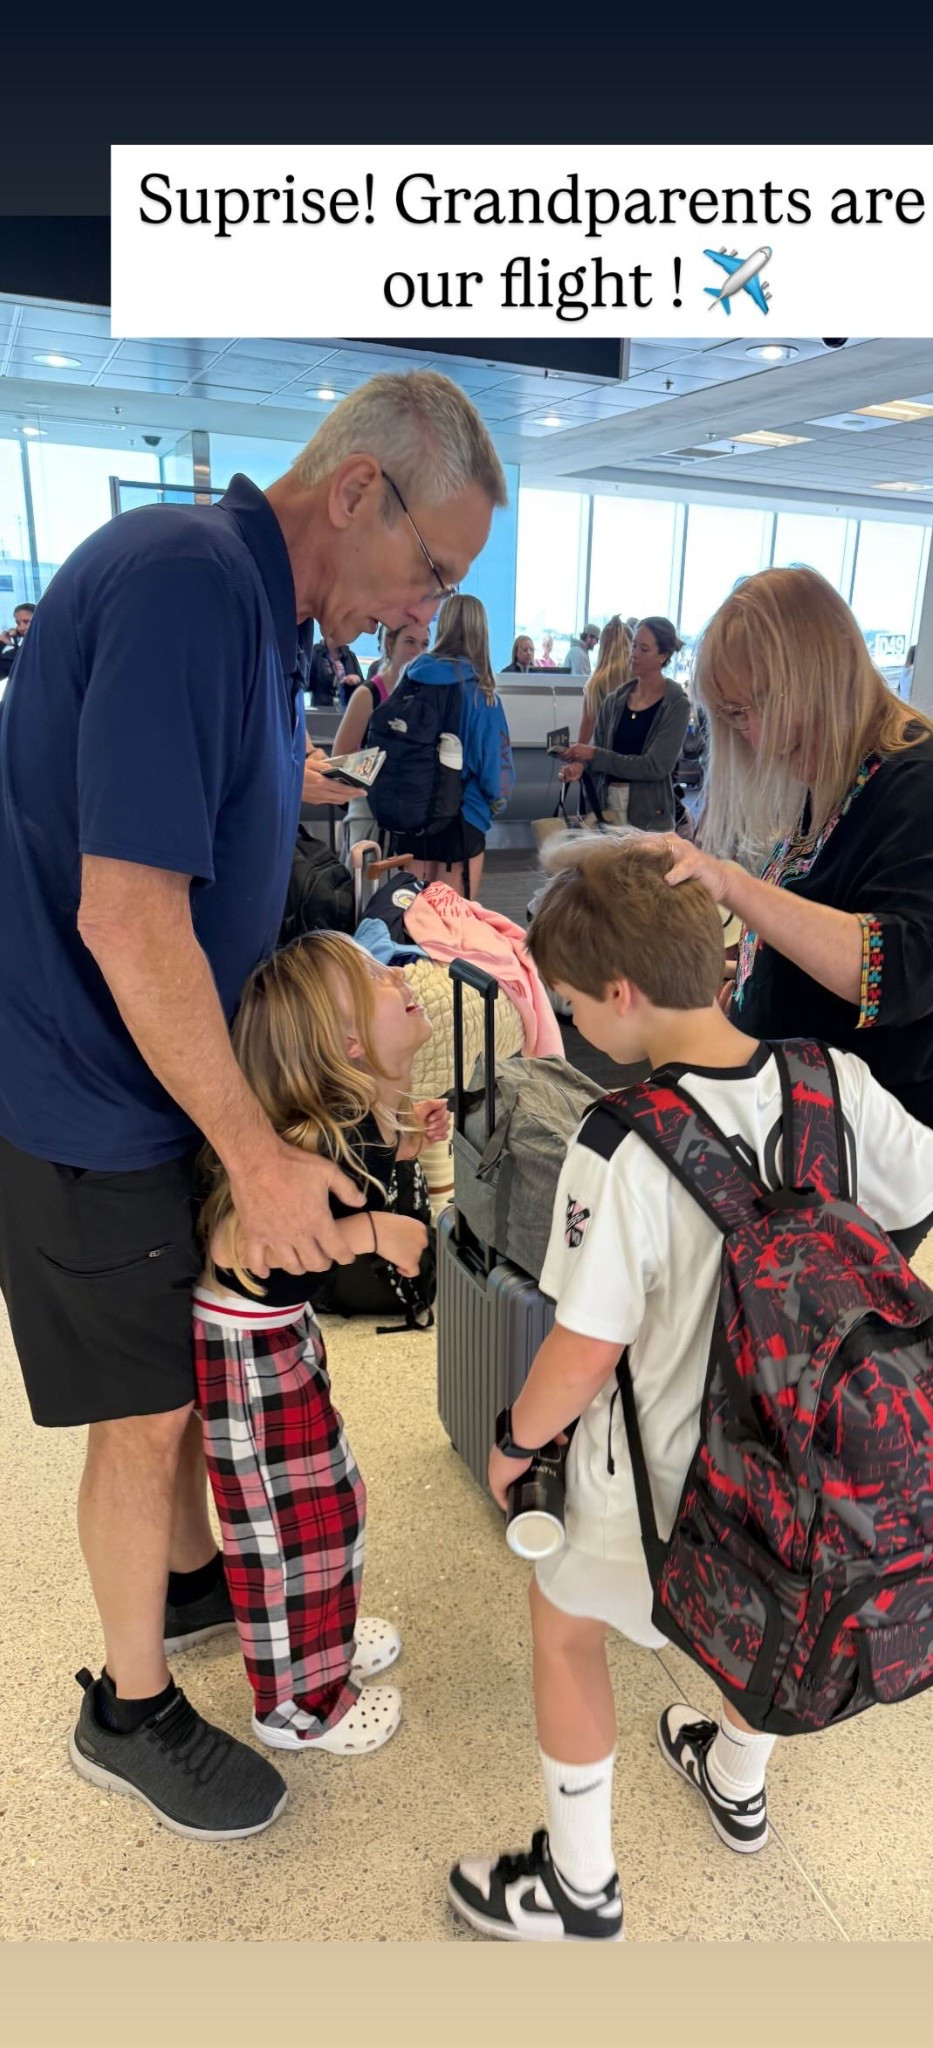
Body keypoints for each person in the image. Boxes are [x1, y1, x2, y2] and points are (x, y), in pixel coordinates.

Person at [0, 368, 505, 1842]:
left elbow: (224, 863)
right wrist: (253, 1154)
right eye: (432, 571)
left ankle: (188, 1587)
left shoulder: (253, 619)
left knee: (166, 1379)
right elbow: (132, 920)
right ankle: (129, 1709)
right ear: (358, 491)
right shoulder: (187, 592)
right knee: (145, 1419)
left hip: (148, 1079)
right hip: (88, 1095)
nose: (425, 613)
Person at [447, 835, 933, 1943]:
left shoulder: (620, 1142)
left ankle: (580, 1885)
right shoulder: (836, 1081)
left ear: (626, 993)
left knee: (564, 1622)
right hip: (798, 1469)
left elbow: (587, 1346)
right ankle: (736, 1772)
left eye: (580, 1005)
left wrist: (509, 1436)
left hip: (655, 1482)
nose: (580, 1027)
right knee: (784, 1603)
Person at [658, 567, 933, 1263]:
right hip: (821, 1118)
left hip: (893, 1128)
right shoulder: (842, 773)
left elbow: (896, 971)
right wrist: (747, 972)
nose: (753, 735)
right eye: (731, 717)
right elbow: (823, 914)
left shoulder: (923, 782)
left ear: (817, 673)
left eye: (754, 708)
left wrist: (734, 887)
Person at [197, 933, 447, 1754]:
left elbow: (368, 1164)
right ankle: (298, 1709)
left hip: (278, 1345)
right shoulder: (303, 1148)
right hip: (248, 1360)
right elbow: (264, 1242)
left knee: (330, 1506)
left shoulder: (344, 1121)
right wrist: (377, 1232)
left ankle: (323, 1649)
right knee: (289, 1529)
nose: (401, 974)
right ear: (345, 1045)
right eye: (377, 977)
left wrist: (413, 1134)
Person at [391, 591, 513, 898]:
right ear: (481, 633)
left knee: (408, 918)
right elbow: (495, 774)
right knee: (452, 926)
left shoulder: (410, 678)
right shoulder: (482, 695)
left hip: (411, 815)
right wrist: (495, 804)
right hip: (462, 819)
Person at [563, 616, 690, 833]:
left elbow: (655, 766)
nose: (635, 654)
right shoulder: (615, 701)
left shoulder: (676, 705)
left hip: (650, 819)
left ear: (663, 655)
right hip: (607, 813)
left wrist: (594, 756)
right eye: (633, 646)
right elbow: (601, 751)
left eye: (644, 649)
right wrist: (580, 766)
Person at [332, 621, 432, 853]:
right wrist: (385, 763)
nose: (418, 651)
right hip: (369, 816)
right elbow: (339, 761)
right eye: (409, 642)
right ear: (390, 643)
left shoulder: (424, 696)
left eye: (424, 644)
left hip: (411, 817)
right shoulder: (368, 695)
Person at [576, 614, 631, 746]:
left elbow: (586, 728)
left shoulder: (595, 685)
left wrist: (575, 759)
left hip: (603, 757)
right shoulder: (639, 680)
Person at [308, 632, 364, 708]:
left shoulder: (350, 655)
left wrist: (357, 680)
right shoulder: (316, 653)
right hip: (322, 710)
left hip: (346, 710)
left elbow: (362, 685)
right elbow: (306, 684)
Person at [0, 600, 35, 681]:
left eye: (26, 622)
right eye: (18, 623)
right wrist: (2, 642)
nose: (20, 628)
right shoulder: (17, 654)